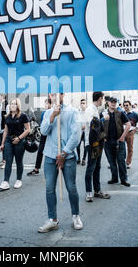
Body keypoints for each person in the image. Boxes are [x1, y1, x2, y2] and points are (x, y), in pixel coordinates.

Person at [38, 93, 82, 233]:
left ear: (63, 94)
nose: (57, 95)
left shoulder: (73, 111)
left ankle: (75, 215)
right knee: (50, 188)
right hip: (50, 155)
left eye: (60, 92)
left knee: (71, 187)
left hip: (67, 156)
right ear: (50, 95)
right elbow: (43, 132)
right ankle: (52, 219)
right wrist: (52, 116)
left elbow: (76, 136)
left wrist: (64, 153)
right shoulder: (48, 112)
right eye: (53, 93)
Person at [84, 92, 111, 202]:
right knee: (91, 167)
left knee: (97, 166)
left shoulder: (95, 109)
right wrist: (103, 119)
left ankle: (97, 190)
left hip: (98, 143)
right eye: (102, 99)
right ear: (100, 99)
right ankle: (89, 192)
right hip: (92, 144)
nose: (103, 101)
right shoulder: (90, 109)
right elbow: (93, 125)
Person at [0, 98, 30, 190]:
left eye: (14, 104)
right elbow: (5, 131)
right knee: (8, 161)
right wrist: (2, 143)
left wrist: (19, 138)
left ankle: (18, 180)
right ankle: (5, 181)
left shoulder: (23, 116)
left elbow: (28, 130)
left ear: (18, 105)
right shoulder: (7, 116)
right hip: (9, 140)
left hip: (19, 141)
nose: (12, 105)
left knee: (18, 161)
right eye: (11, 104)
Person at [104, 97, 131, 186]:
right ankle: (114, 178)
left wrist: (123, 137)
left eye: (115, 102)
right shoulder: (103, 113)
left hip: (119, 141)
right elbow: (98, 126)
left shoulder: (120, 113)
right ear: (108, 103)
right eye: (112, 102)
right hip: (107, 142)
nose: (113, 103)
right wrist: (102, 137)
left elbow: (128, 124)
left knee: (121, 161)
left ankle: (124, 179)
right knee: (111, 162)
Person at [27, 97, 52, 176]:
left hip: (51, 135)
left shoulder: (53, 112)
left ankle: (53, 169)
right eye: (45, 103)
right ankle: (36, 169)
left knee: (51, 152)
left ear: (51, 104)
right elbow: (41, 124)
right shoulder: (44, 113)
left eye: (47, 103)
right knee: (40, 151)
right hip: (44, 135)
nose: (45, 105)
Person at [123, 100, 138, 169]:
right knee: (120, 148)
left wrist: (136, 129)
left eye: (127, 105)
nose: (126, 107)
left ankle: (128, 162)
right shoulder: (122, 113)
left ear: (130, 105)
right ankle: (120, 161)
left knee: (130, 148)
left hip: (130, 133)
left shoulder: (134, 114)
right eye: (124, 105)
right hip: (122, 133)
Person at [77, 99, 89, 166]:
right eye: (81, 103)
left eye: (84, 103)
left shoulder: (88, 112)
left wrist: (86, 126)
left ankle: (84, 159)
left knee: (85, 145)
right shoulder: (78, 112)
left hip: (86, 131)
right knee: (77, 145)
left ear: (86, 104)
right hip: (80, 130)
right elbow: (77, 121)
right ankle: (78, 158)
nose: (82, 104)